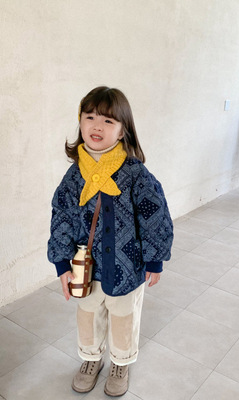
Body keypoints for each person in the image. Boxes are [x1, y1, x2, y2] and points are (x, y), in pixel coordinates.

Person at [47, 86, 173, 397]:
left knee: (123, 317)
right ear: (80, 122)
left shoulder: (135, 174)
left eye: (108, 120)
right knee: (88, 315)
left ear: (122, 130)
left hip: (127, 267)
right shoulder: (74, 176)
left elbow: (154, 215)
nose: (97, 126)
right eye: (90, 117)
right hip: (86, 268)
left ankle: (120, 362)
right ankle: (91, 359)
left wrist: (155, 259)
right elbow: (62, 217)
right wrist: (61, 262)